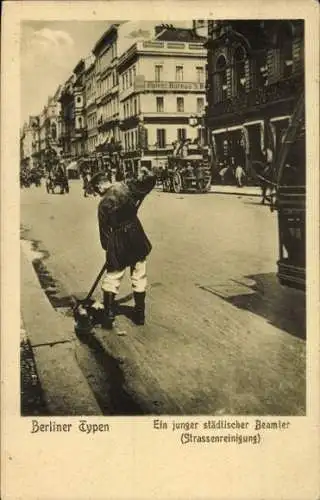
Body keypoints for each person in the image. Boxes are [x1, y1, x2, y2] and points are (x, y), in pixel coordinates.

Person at [90, 166, 157, 327]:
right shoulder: (126, 187)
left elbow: (104, 233)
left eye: (96, 190)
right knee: (139, 274)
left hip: (118, 240)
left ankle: (109, 315)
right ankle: (140, 315)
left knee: (113, 276)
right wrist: (148, 174)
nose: (97, 193)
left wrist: (109, 250)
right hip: (136, 235)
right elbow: (147, 185)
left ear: (100, 186)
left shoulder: (103, 204)